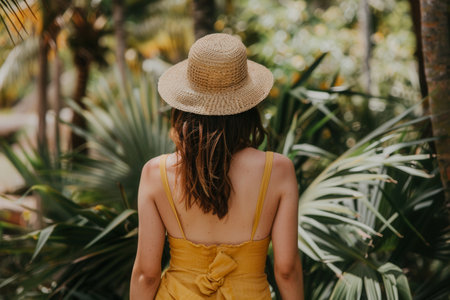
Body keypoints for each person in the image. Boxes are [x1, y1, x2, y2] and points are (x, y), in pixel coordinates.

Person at [130, 33, 304, 300]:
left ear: (184, 103)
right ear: (248, 106)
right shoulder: (278, 170)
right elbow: (286, 269)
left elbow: (147, 273)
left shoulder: (156, 173)